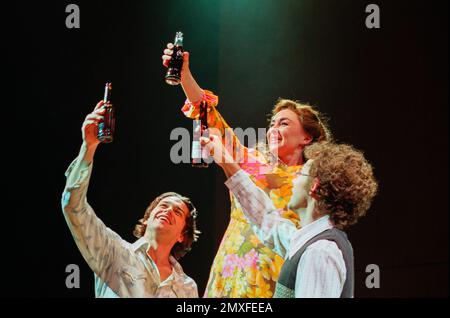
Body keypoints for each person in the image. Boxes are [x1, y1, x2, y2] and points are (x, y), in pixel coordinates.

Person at [162, 44, 331, 297]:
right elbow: (208, 114)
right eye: (272, 123)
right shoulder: (251, 162)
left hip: (274, 277)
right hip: (231, 271)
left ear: (306, 137)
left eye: (284, 123)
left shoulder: (311, 182)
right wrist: (184, 74)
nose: (274, 128)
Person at [202, 136, 378, 297]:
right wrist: (226, 162)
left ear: (314, 187)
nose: (293, 180)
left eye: (300, 174)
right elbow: (266, 219)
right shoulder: (309, 242)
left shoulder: (320, 252)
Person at [61, 101, 200, 298]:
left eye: (177, 211)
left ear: (182, 236)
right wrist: (88, 147)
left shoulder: (187, 288)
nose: (167, 211)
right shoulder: (112, 251)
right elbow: (72, 206)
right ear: (147, 219)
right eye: (162, 206)